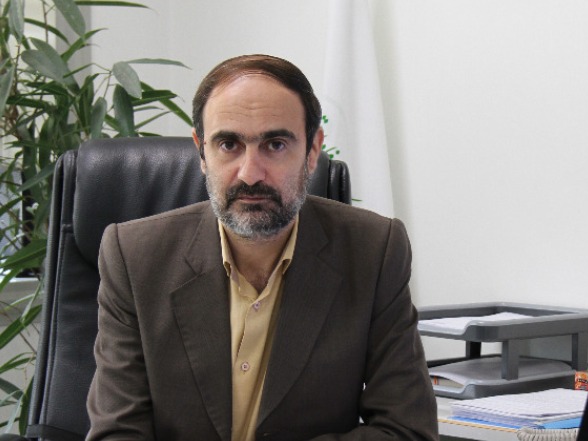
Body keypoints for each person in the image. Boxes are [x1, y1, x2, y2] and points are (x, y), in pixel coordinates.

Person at [86, 54, 439, 441]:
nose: (250, 174)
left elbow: (407, 430)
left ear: (313, 150)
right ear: (201, 152)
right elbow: (116, 433)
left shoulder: (374, 252)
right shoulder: (135, 257)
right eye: (228, 144)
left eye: (275, 144)